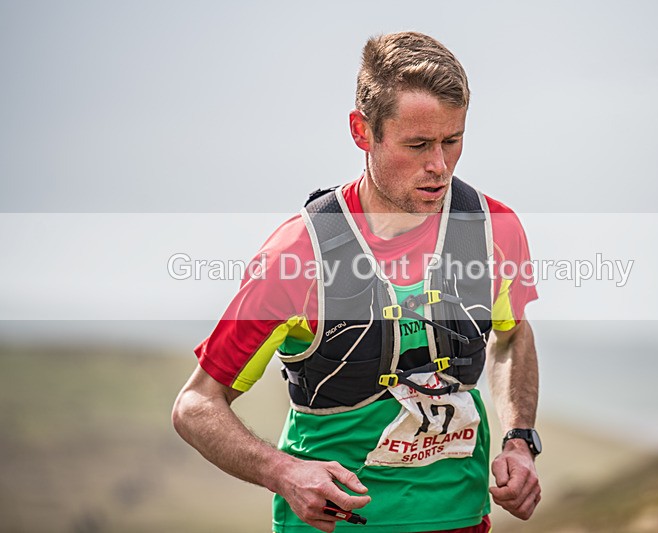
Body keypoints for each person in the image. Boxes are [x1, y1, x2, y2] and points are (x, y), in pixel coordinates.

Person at [173, 31, 542, 533]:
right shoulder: (297, 256)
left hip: (460, 520)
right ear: (362, 131)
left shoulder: (494, 230)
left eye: (452, 141)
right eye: (417, 145)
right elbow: (195, 405)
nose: (439, 165)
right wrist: (283, 472)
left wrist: (519, 440)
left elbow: (511, 334)